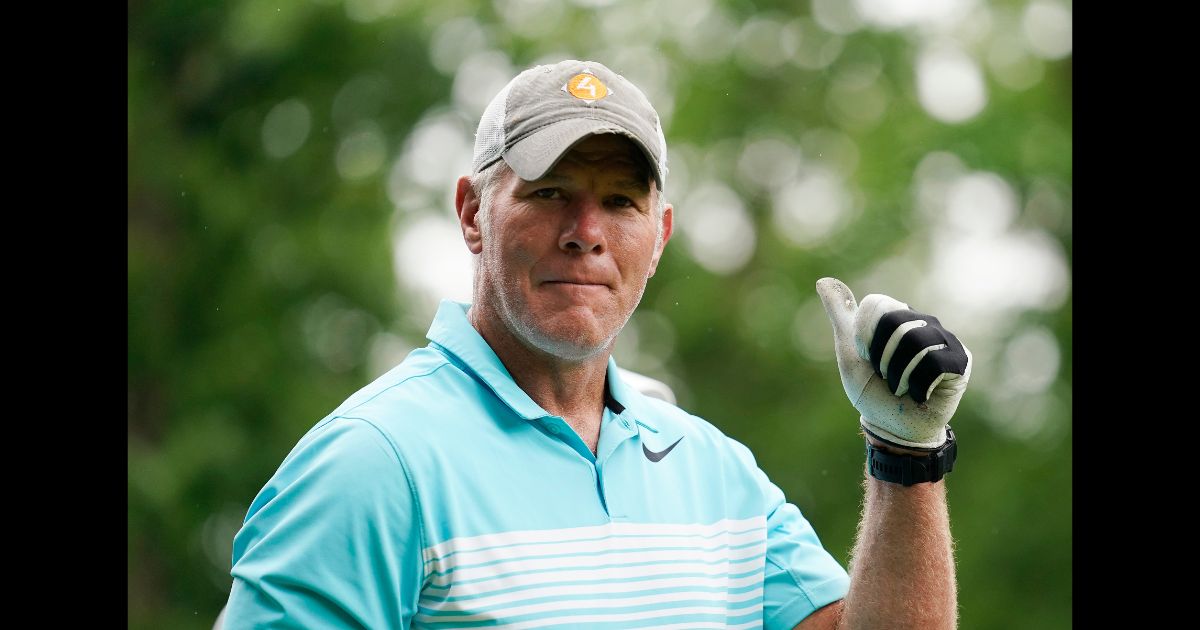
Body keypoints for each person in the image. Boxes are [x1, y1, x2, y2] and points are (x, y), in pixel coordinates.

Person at [223, 59, 972, 629]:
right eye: (550, 191)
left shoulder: (714, 471)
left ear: (660, 237)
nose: (586, 232)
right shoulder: (371, 464)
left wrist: (905, 457)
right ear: (472, 212)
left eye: (620, 202)